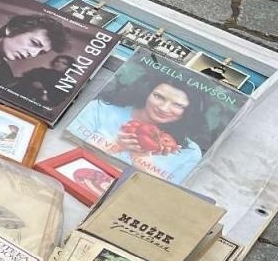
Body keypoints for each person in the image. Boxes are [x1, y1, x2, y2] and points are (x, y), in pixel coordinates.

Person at [67, 77, 206, 184]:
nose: (163, 108)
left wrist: (141, 160)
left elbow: (164, 195)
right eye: (159, 97)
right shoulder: (99, 109)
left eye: (178, 105)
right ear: (147, 93)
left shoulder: (190, 152)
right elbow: (65, 148)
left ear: (189, 111)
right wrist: (117, 145)